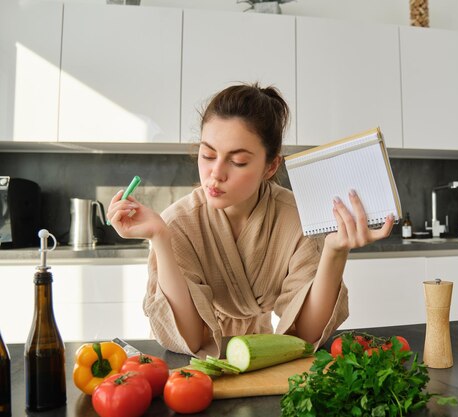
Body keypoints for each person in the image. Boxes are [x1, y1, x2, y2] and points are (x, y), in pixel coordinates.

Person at [106, 83, 394, 358]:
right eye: (207, 155)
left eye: (238, 161)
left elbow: (306, 335)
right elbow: (192, 339)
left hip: (265, 349)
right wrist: (160, 238)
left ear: (270, 166)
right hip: (208, 360)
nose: (215, 174)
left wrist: (335, 251)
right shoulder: (178, 223)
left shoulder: (297, 217)